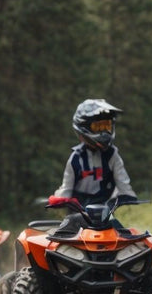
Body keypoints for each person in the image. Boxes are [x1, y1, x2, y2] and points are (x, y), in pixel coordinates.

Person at [48, 99, 137, 236]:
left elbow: (123, 183)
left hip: (105, 215)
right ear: (84, 128)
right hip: (79, 214)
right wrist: (58, 199)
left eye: (106, 126)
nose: (104, 132)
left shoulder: (113, 155)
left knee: (125, 236)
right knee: (60, 237)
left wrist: (128, 196)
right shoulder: (76, 158)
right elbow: (66, 188)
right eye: (98, 127)